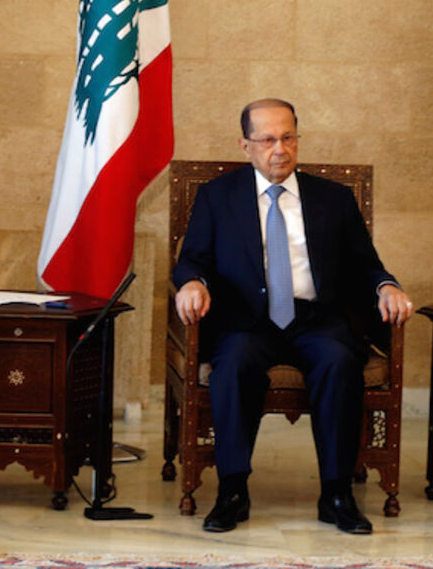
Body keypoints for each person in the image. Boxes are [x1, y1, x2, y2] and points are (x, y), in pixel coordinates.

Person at [172, 98, 413, 535]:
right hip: (247, 319)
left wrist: (387, 286)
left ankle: (337, 494)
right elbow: (192, 260)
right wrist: (193, 284)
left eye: (287, 137)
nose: (279, 149)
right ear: (245, 146)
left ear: (297, 139)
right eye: (267, 140)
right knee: (234, 366)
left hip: (317, 319)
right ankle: (232, 491)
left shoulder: (333, 199)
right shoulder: (217, 197)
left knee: (341, 363)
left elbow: (366, 265)